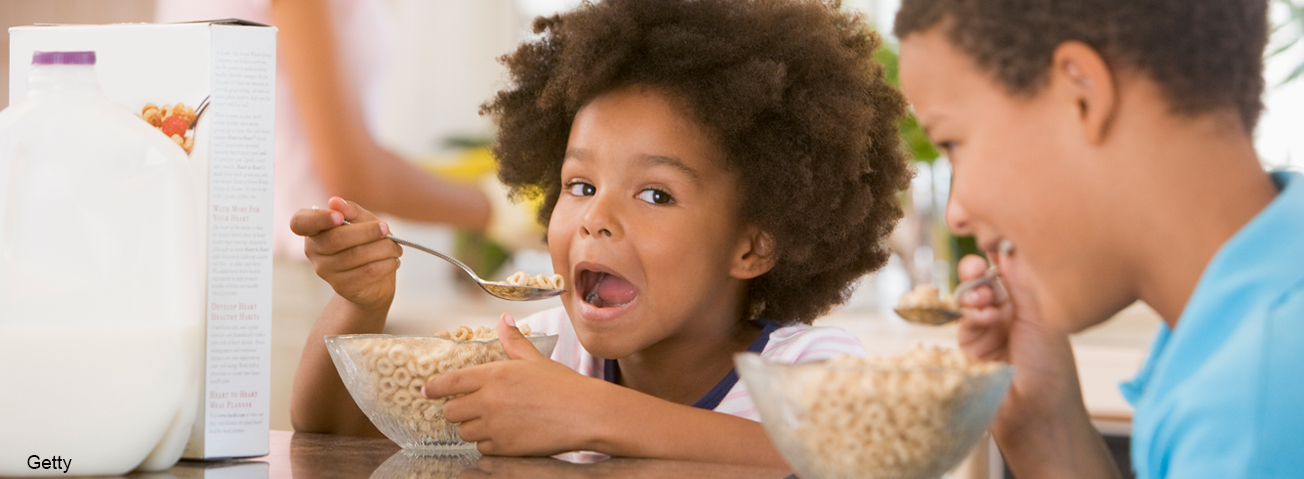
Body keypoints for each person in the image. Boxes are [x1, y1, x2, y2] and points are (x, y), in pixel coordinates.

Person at [289, 0, 912, 465]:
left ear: (752, 246)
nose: (595, 216)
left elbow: (843, 459)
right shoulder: (552, 352)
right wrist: (359, 304)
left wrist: (587, 413)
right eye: (580, 186)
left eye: (655, 194)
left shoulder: (807, 368)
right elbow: (329, 434)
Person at [893, 0, 1304, 477]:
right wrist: (1043, 430)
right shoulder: (1244, 339)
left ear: (1082, 95)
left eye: (952, 143)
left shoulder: (1252, 401)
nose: (957, 214)